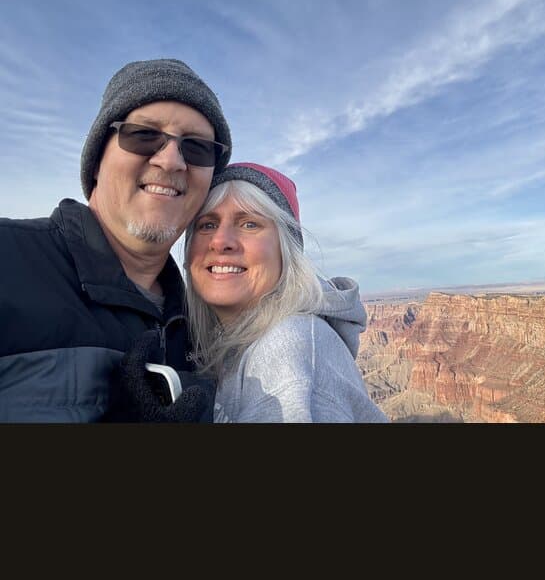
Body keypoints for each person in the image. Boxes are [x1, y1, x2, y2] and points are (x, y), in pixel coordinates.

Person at [0, 58, 231, 422]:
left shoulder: (203, 329)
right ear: (95, 162)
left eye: (197, 147)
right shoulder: (9, 261)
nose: (171, 161)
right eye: (143, 135)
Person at [183, 162, 388, 422]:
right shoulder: (232, 342)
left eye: (249, 224)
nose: (220, 241)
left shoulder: (288, 347)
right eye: (207, 225)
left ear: (286, 250)